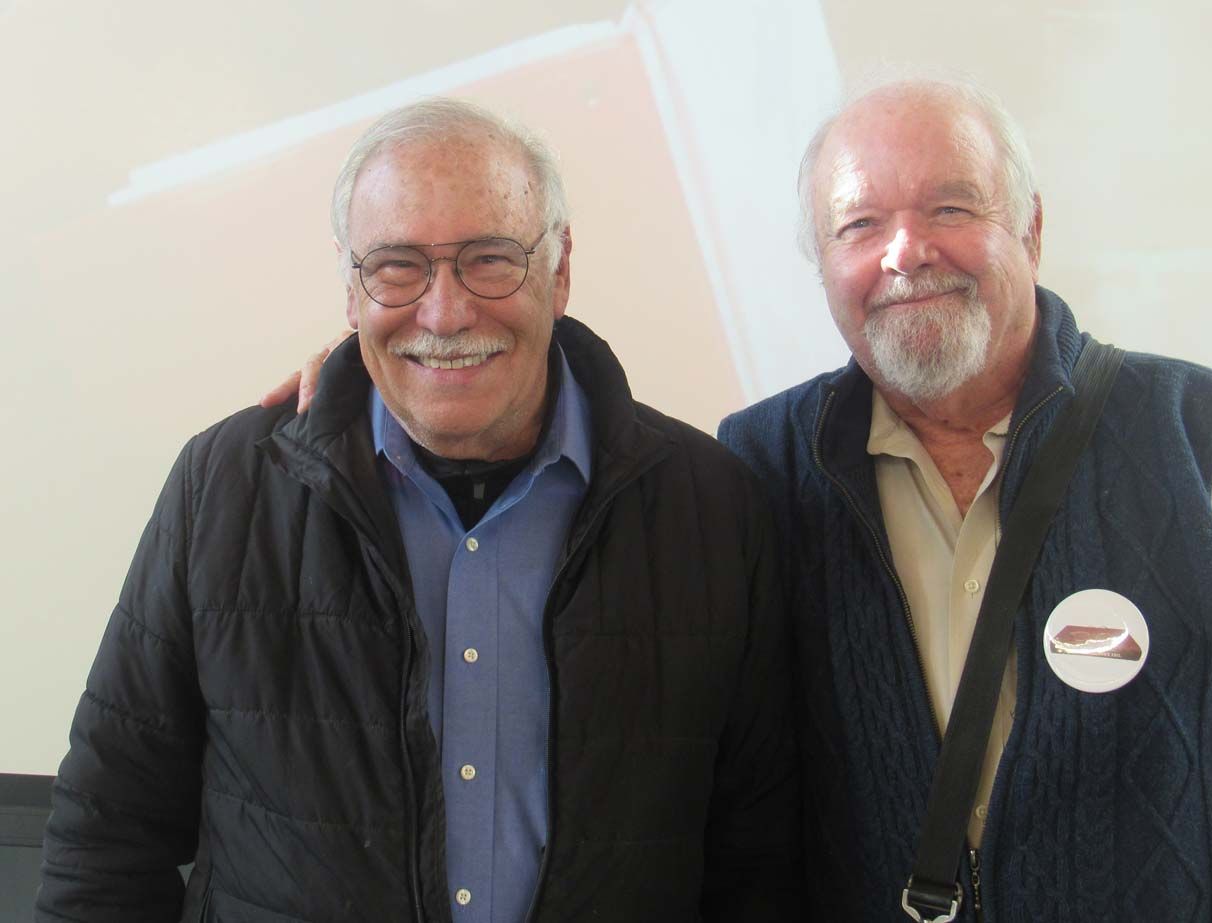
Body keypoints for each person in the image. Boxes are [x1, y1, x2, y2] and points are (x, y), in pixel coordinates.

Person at [36, 98, 800, 923]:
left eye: (490, 258)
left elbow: (758, 863)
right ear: (352, 285)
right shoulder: (223, 490)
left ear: (561, 267)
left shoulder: (711, 509)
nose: (445, 311)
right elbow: (108, 838)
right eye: (398, 266)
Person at [717, 77, 1212, 921]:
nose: (906, 251)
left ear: (1031, 228)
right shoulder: (758, 467)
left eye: (950, 208)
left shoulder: (1205, 435)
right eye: (860, 225)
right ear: (826, 264)